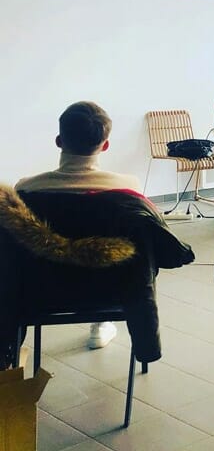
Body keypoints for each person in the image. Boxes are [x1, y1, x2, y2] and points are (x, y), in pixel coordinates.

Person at [15, 101, 142, 350]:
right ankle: (101, 323)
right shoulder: (129, 191)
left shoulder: (25, 190)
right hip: (109, 291)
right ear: (105, 145)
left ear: (59, 141)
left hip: (38, 290)